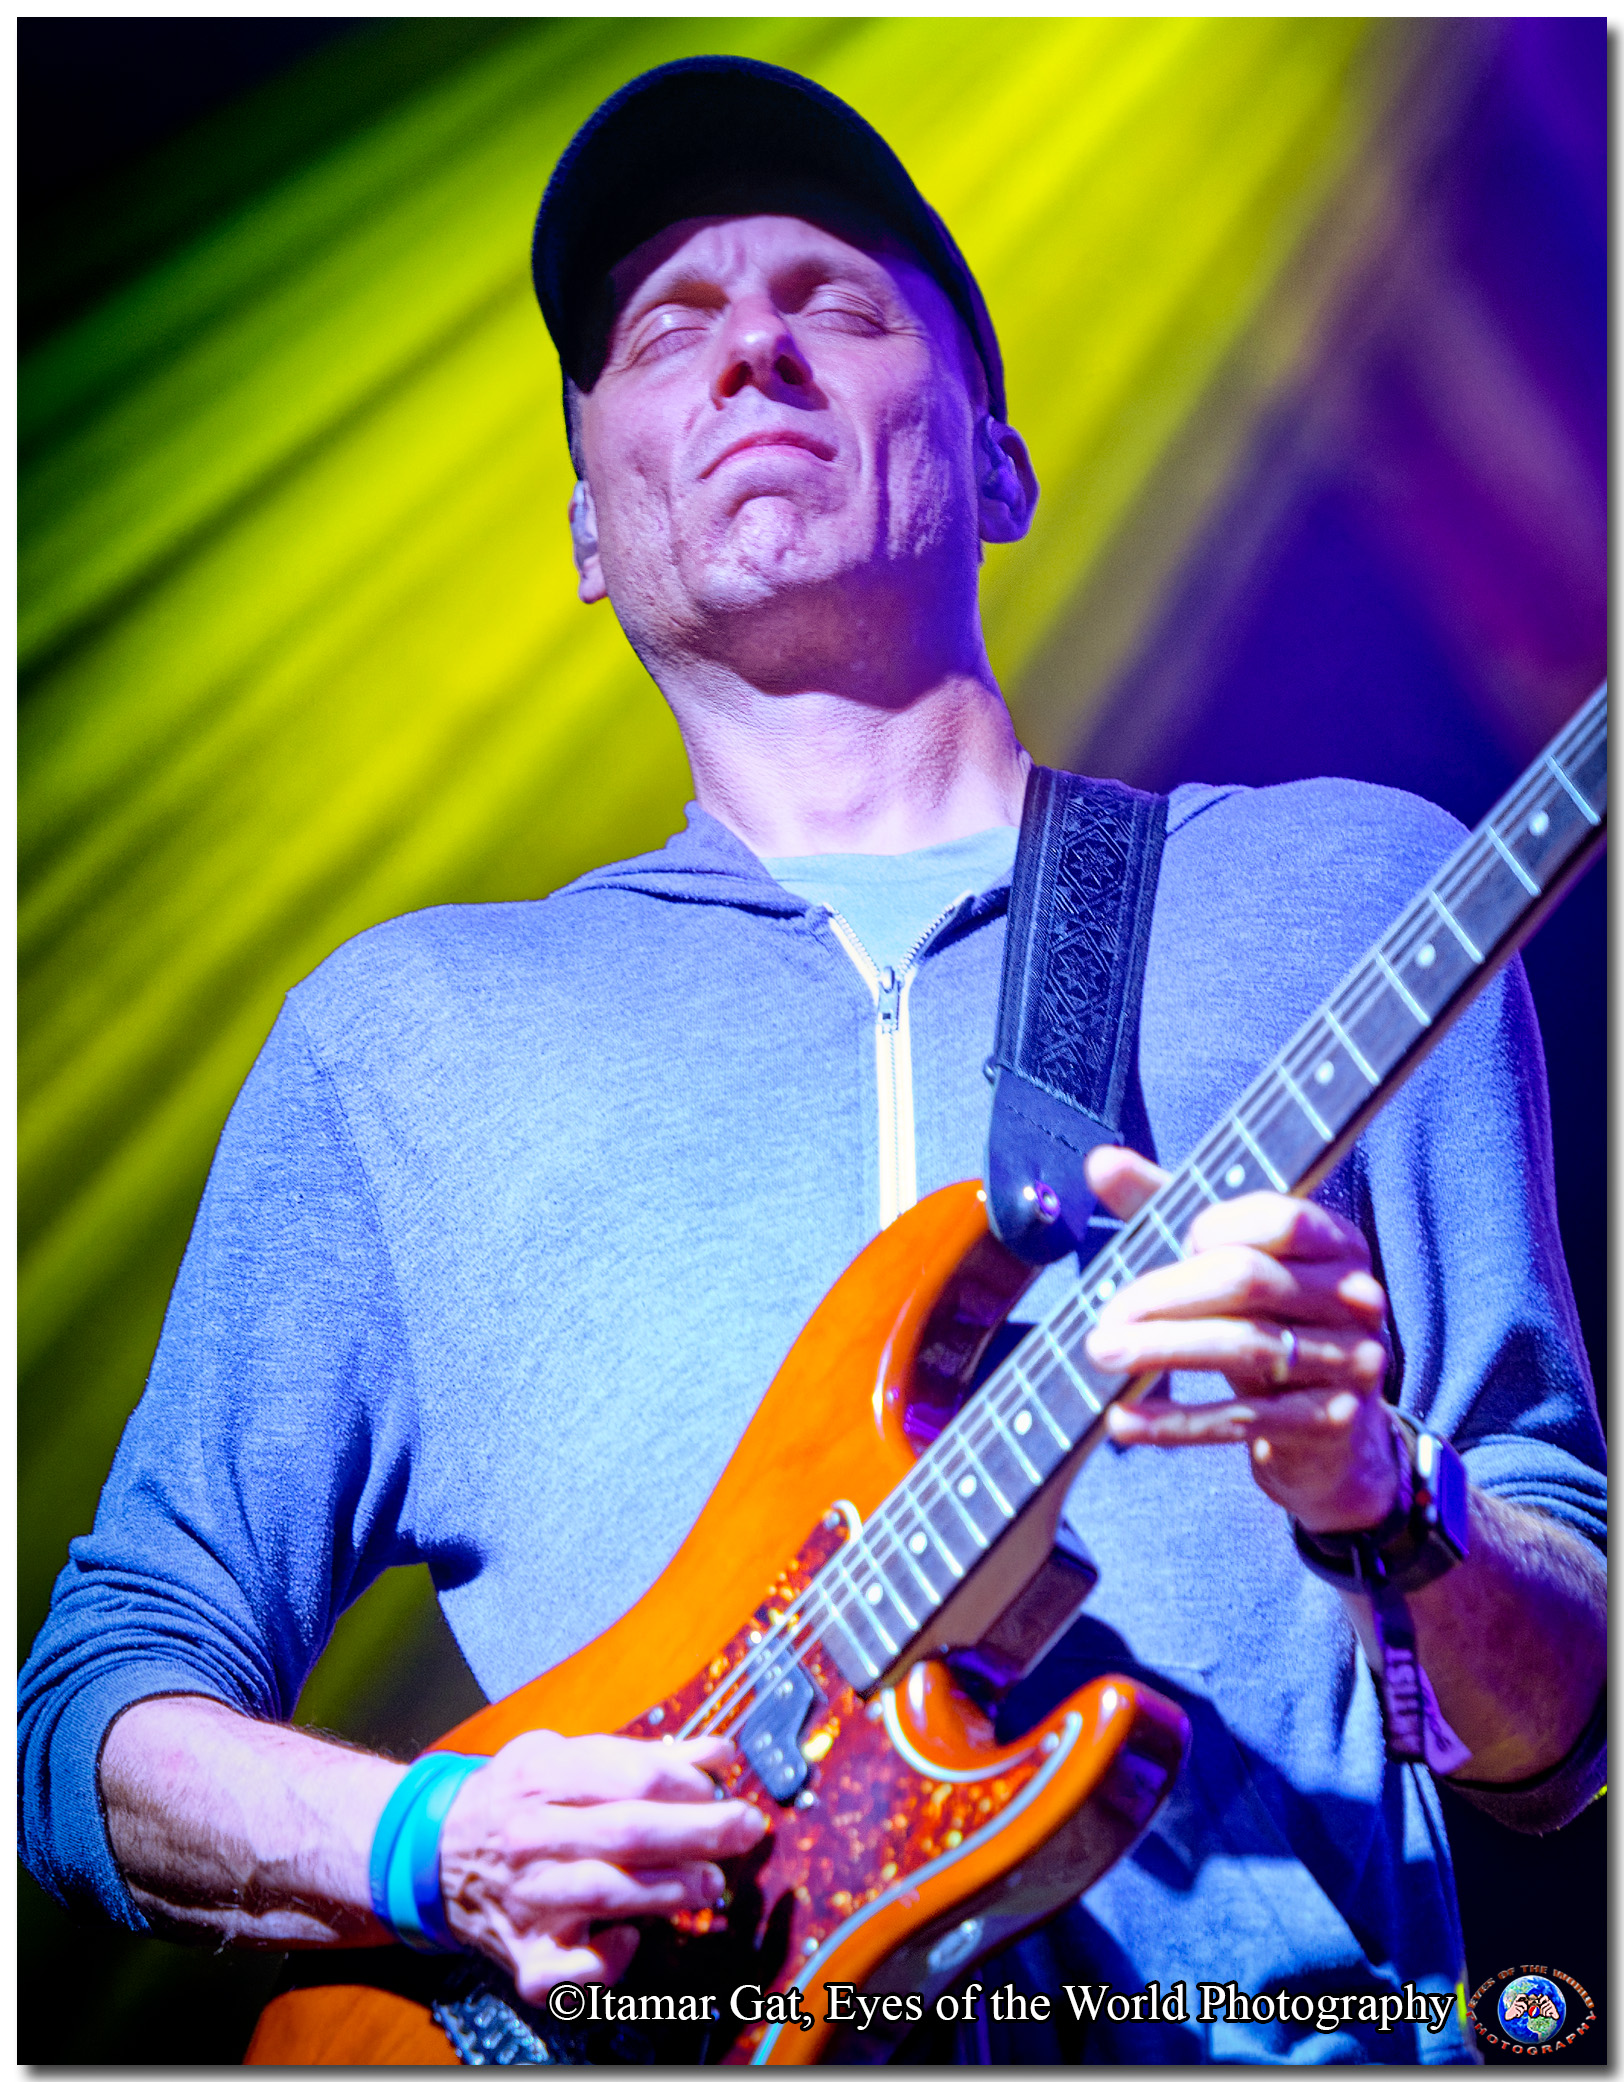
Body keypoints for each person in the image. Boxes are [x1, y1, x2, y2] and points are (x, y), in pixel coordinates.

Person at [19, 57, 1605, 2065]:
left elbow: (1561, 1719)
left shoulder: (1357, 898)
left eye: (834, 302)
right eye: (661, 330)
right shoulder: (402, 1034)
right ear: (588, 529)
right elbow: (87, 1718)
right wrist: (439, 1840)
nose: (749, 344)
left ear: (1001, 465)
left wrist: (1385, 1498)